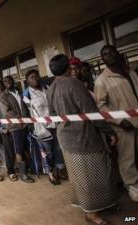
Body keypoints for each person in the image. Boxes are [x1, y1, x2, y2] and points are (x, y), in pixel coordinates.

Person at [47, 54, 118, 225]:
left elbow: (53, 116)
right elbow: (91, 112)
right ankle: (91, 214)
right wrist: (109, 131)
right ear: (67, 67)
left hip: (66, 139)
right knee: (92, 176)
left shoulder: (51, 89)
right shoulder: (74, 84)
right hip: (84, 138)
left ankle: (103, 204)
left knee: (83, 177)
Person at [95, 45, 138, 202]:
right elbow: (101, 107)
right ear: (102, 60)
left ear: (117, 53)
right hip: (123, 126)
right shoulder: (101, 80)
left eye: (111, 52)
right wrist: (119, 120)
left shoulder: (130, 72)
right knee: (128, 158)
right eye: (104, 54)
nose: (109, 55)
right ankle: (133, 186)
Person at [23, 69, 65, 185]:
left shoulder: (46, 88)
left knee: (58, 149)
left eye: (36, 76)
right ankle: (51, 174)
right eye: (31, 77)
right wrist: (31, 126)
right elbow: (25, 113)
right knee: (47, 152)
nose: (35, 78)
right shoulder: (26, 94)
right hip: (41, 128)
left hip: (55, 124)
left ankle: (59, 170)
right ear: (27, 81)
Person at [0, 75, 35, 183]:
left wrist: (28, 120)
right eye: (5, 81)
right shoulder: (3, 96)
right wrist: (21, 119)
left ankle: (29, 169)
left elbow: (25, 107)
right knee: (18, 150)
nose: (8, 82)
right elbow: (7, 112)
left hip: (25, 125)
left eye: (10, 80)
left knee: (26, 148)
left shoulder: (19, 93)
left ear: (13, 82)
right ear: (4, 84)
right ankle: (23, 174)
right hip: (15, 127)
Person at [0, 80, 18, 181]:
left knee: (18, 150)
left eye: (1, 86)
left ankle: (18, 167)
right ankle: (11, 171)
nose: (0, 88)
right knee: (9, 151)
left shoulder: (9, 96)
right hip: (6, 130)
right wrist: (1, 129)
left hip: (16, 128)